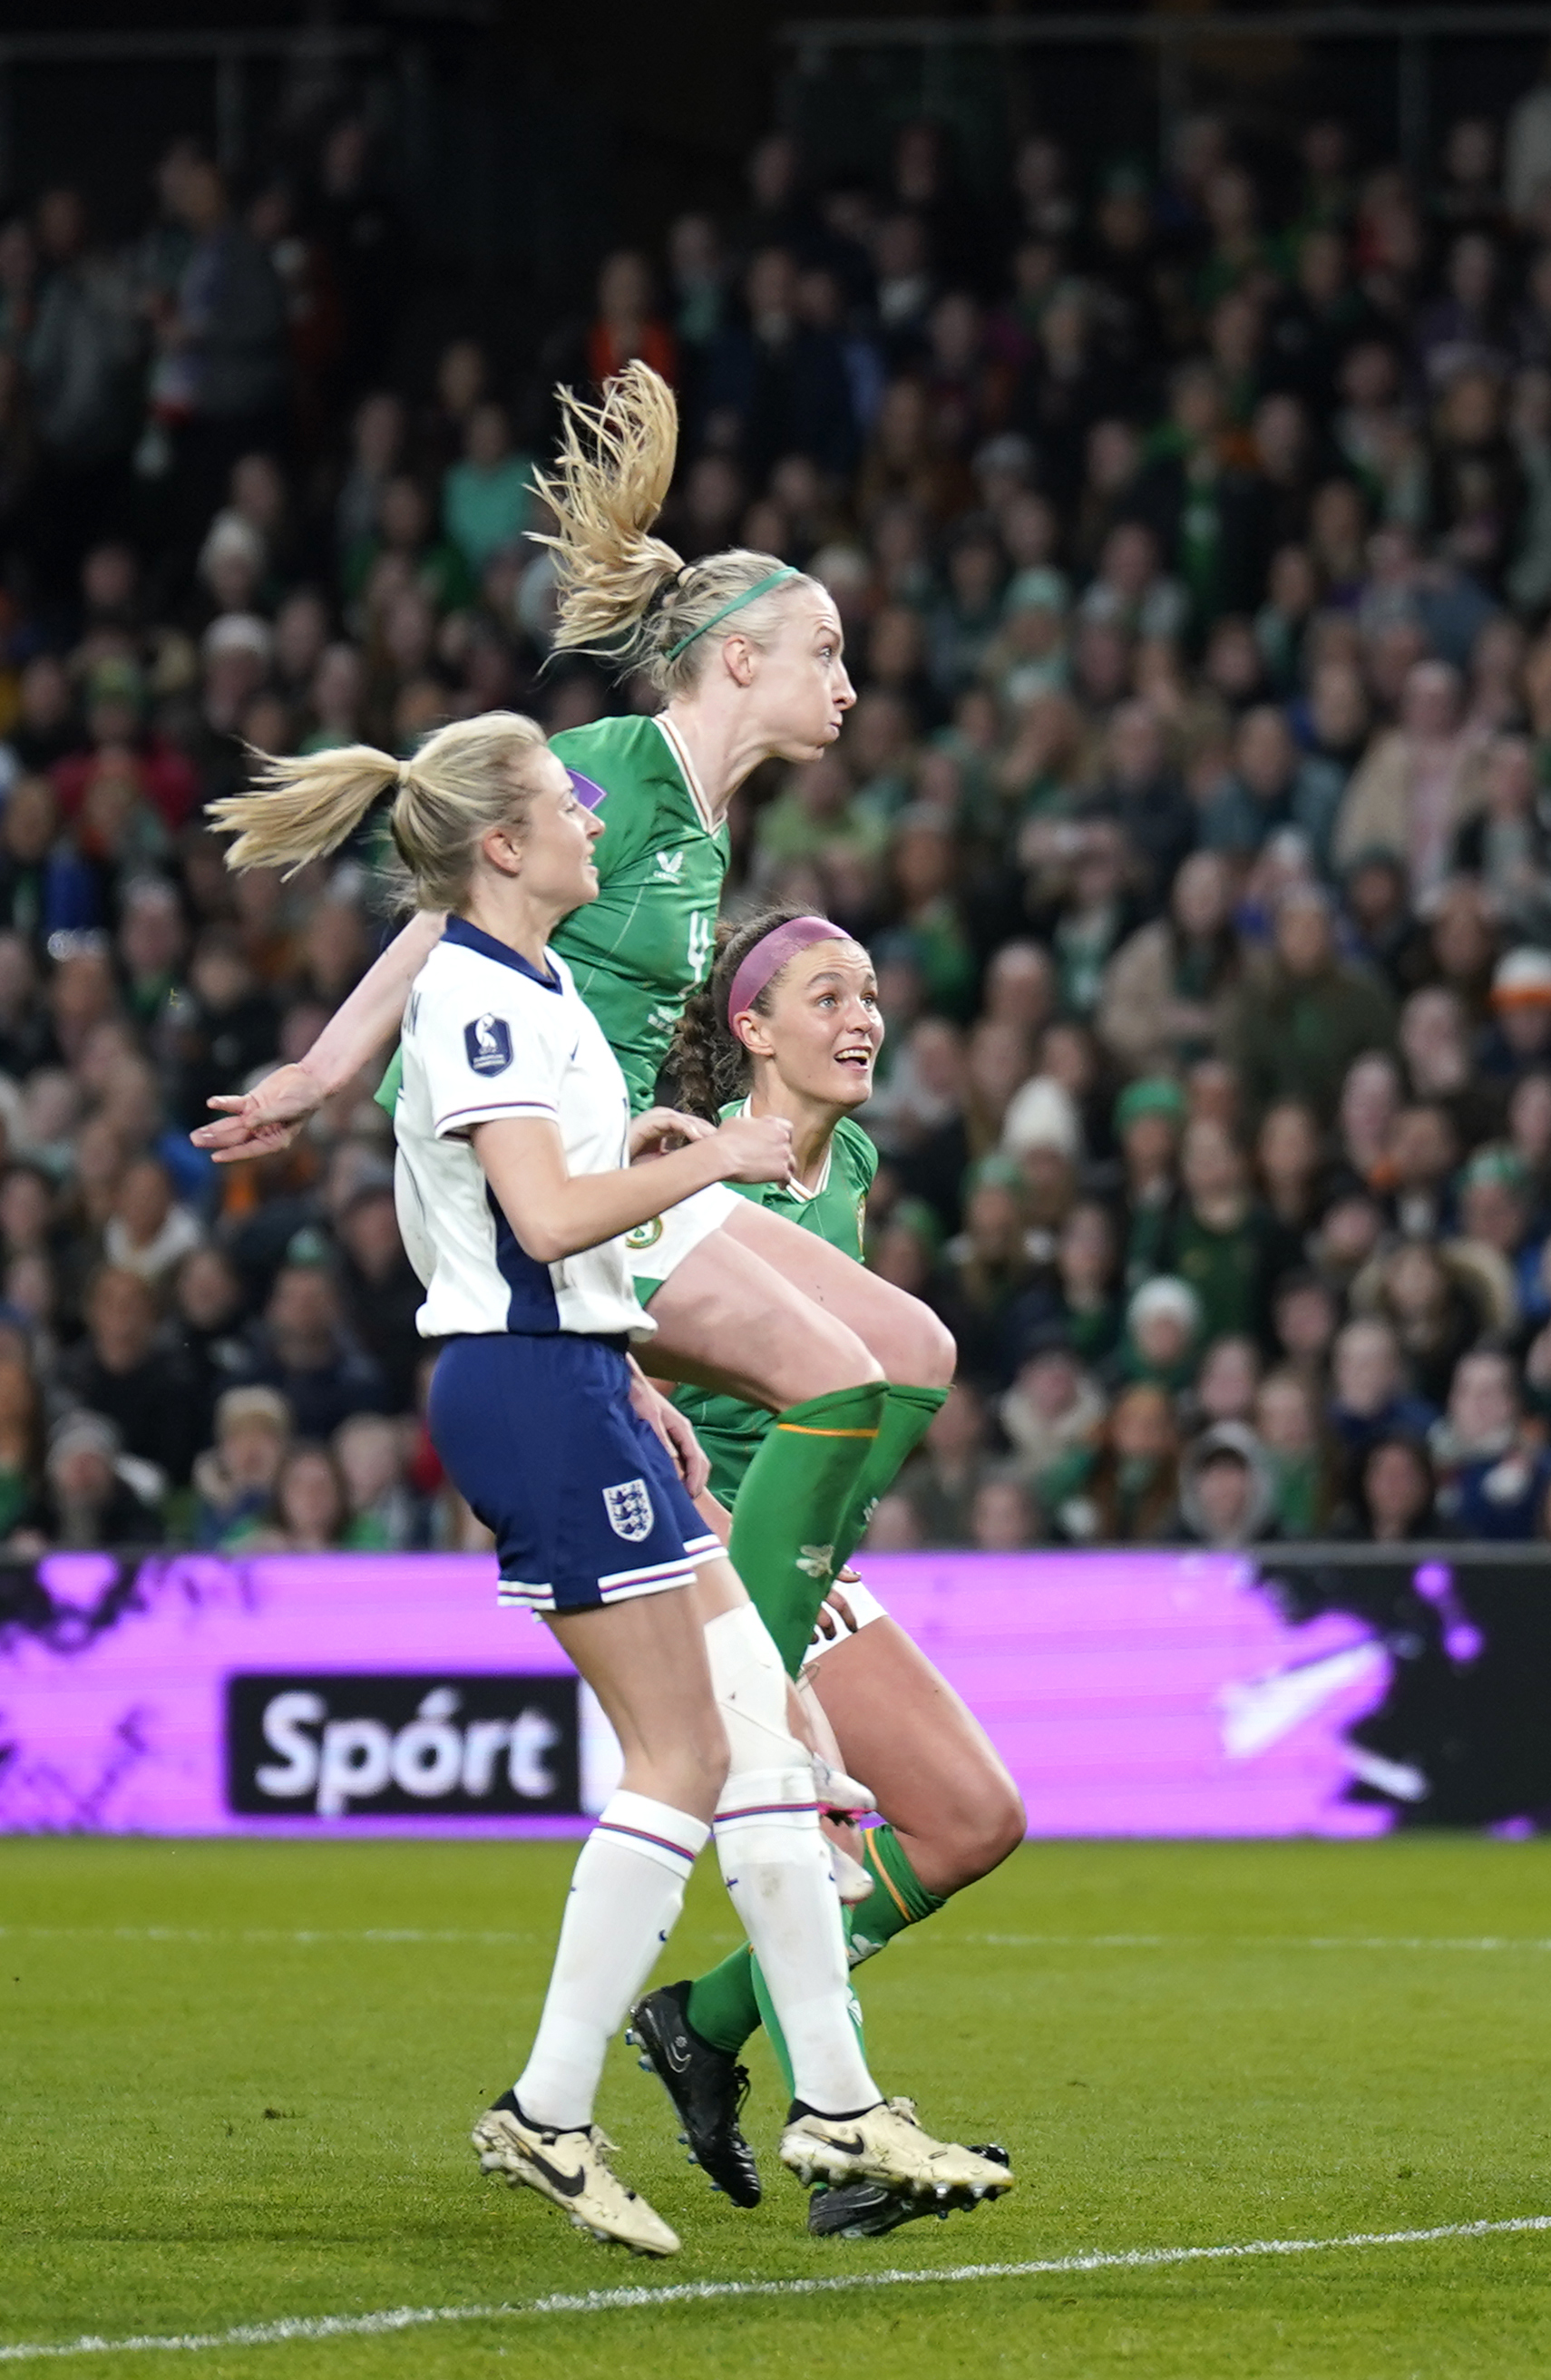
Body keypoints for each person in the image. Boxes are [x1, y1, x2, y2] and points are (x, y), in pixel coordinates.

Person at [205, 716, 1009, 2257]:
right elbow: (549, 1213)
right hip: (525, 1389)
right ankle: (552, 2111)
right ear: (502, 849)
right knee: (685, 1753)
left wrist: (639, 1283)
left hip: (578, 1378)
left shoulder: (541, 986)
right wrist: (708, 1158)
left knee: (757, 1734)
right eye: (565, 807)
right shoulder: (476, 1001)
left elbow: (560, 1209)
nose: (595, 821)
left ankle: (835, 2098)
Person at [192, 363, 954, 1691]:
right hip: (533, 1177)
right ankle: (757, 1685)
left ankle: (768, 1592)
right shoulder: (626, 765)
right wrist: (321, 1072)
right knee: (840, 1380)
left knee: (915, 1352)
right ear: (737, 659)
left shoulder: (710, 824)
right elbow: (451, 897)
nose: (849, 680)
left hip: (615, 1156)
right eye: (823, 650)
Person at [629, 908, 1029, 2239]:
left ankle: (702, 2021)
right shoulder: (681, 1171)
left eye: (868, 993)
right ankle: (848, 2147)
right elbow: (604, 1328)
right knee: (800, 1832)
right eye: (826, 996)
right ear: (751, 1031)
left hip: (809, 1549)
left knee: (973, 1819)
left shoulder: (846, 1158)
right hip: (699, 1549)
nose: (864, 1016)